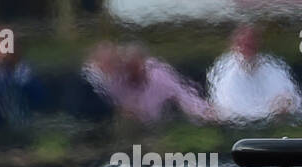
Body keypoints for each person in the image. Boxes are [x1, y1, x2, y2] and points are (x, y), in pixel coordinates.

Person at [83, 42, 212, 124]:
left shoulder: (159, 77)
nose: (132, 69)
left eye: (136, 65)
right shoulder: (114, 81)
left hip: (170, 120)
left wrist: (203, 112)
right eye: (128, 65)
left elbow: (183, 97)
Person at [206, 24, 302, 125]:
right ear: (235, 45)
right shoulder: (224, 68)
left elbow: (292, 101)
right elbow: (222, 108)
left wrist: (286, 104)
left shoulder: (273, 68)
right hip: (235, 126)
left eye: (251, 45)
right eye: (244, 45)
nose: (247, 50)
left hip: (269, 126)